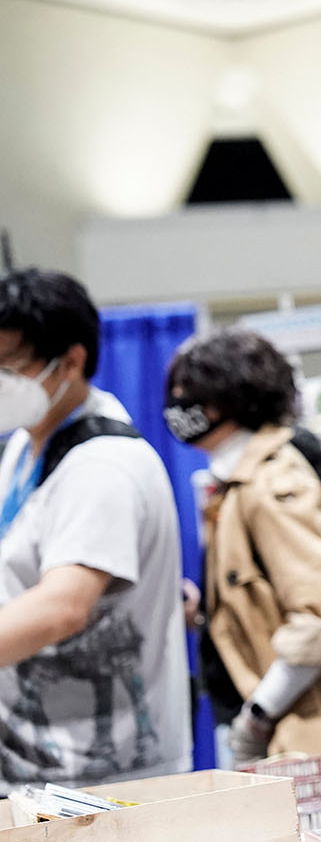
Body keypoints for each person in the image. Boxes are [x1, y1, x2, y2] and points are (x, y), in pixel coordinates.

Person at [0, 269, 191, 790]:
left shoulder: (102, 465)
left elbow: (61, 607)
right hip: (41, 763)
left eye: (8, 367)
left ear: (71, 361)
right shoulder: (27, 446)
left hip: (102, 782)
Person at [165, 328, 321, 765]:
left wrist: (260, 715)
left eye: (189, 392)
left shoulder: (272, 482)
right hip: (266, 719)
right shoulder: (239, 483)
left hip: (298, 727)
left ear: (230, 396)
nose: (178, 405)